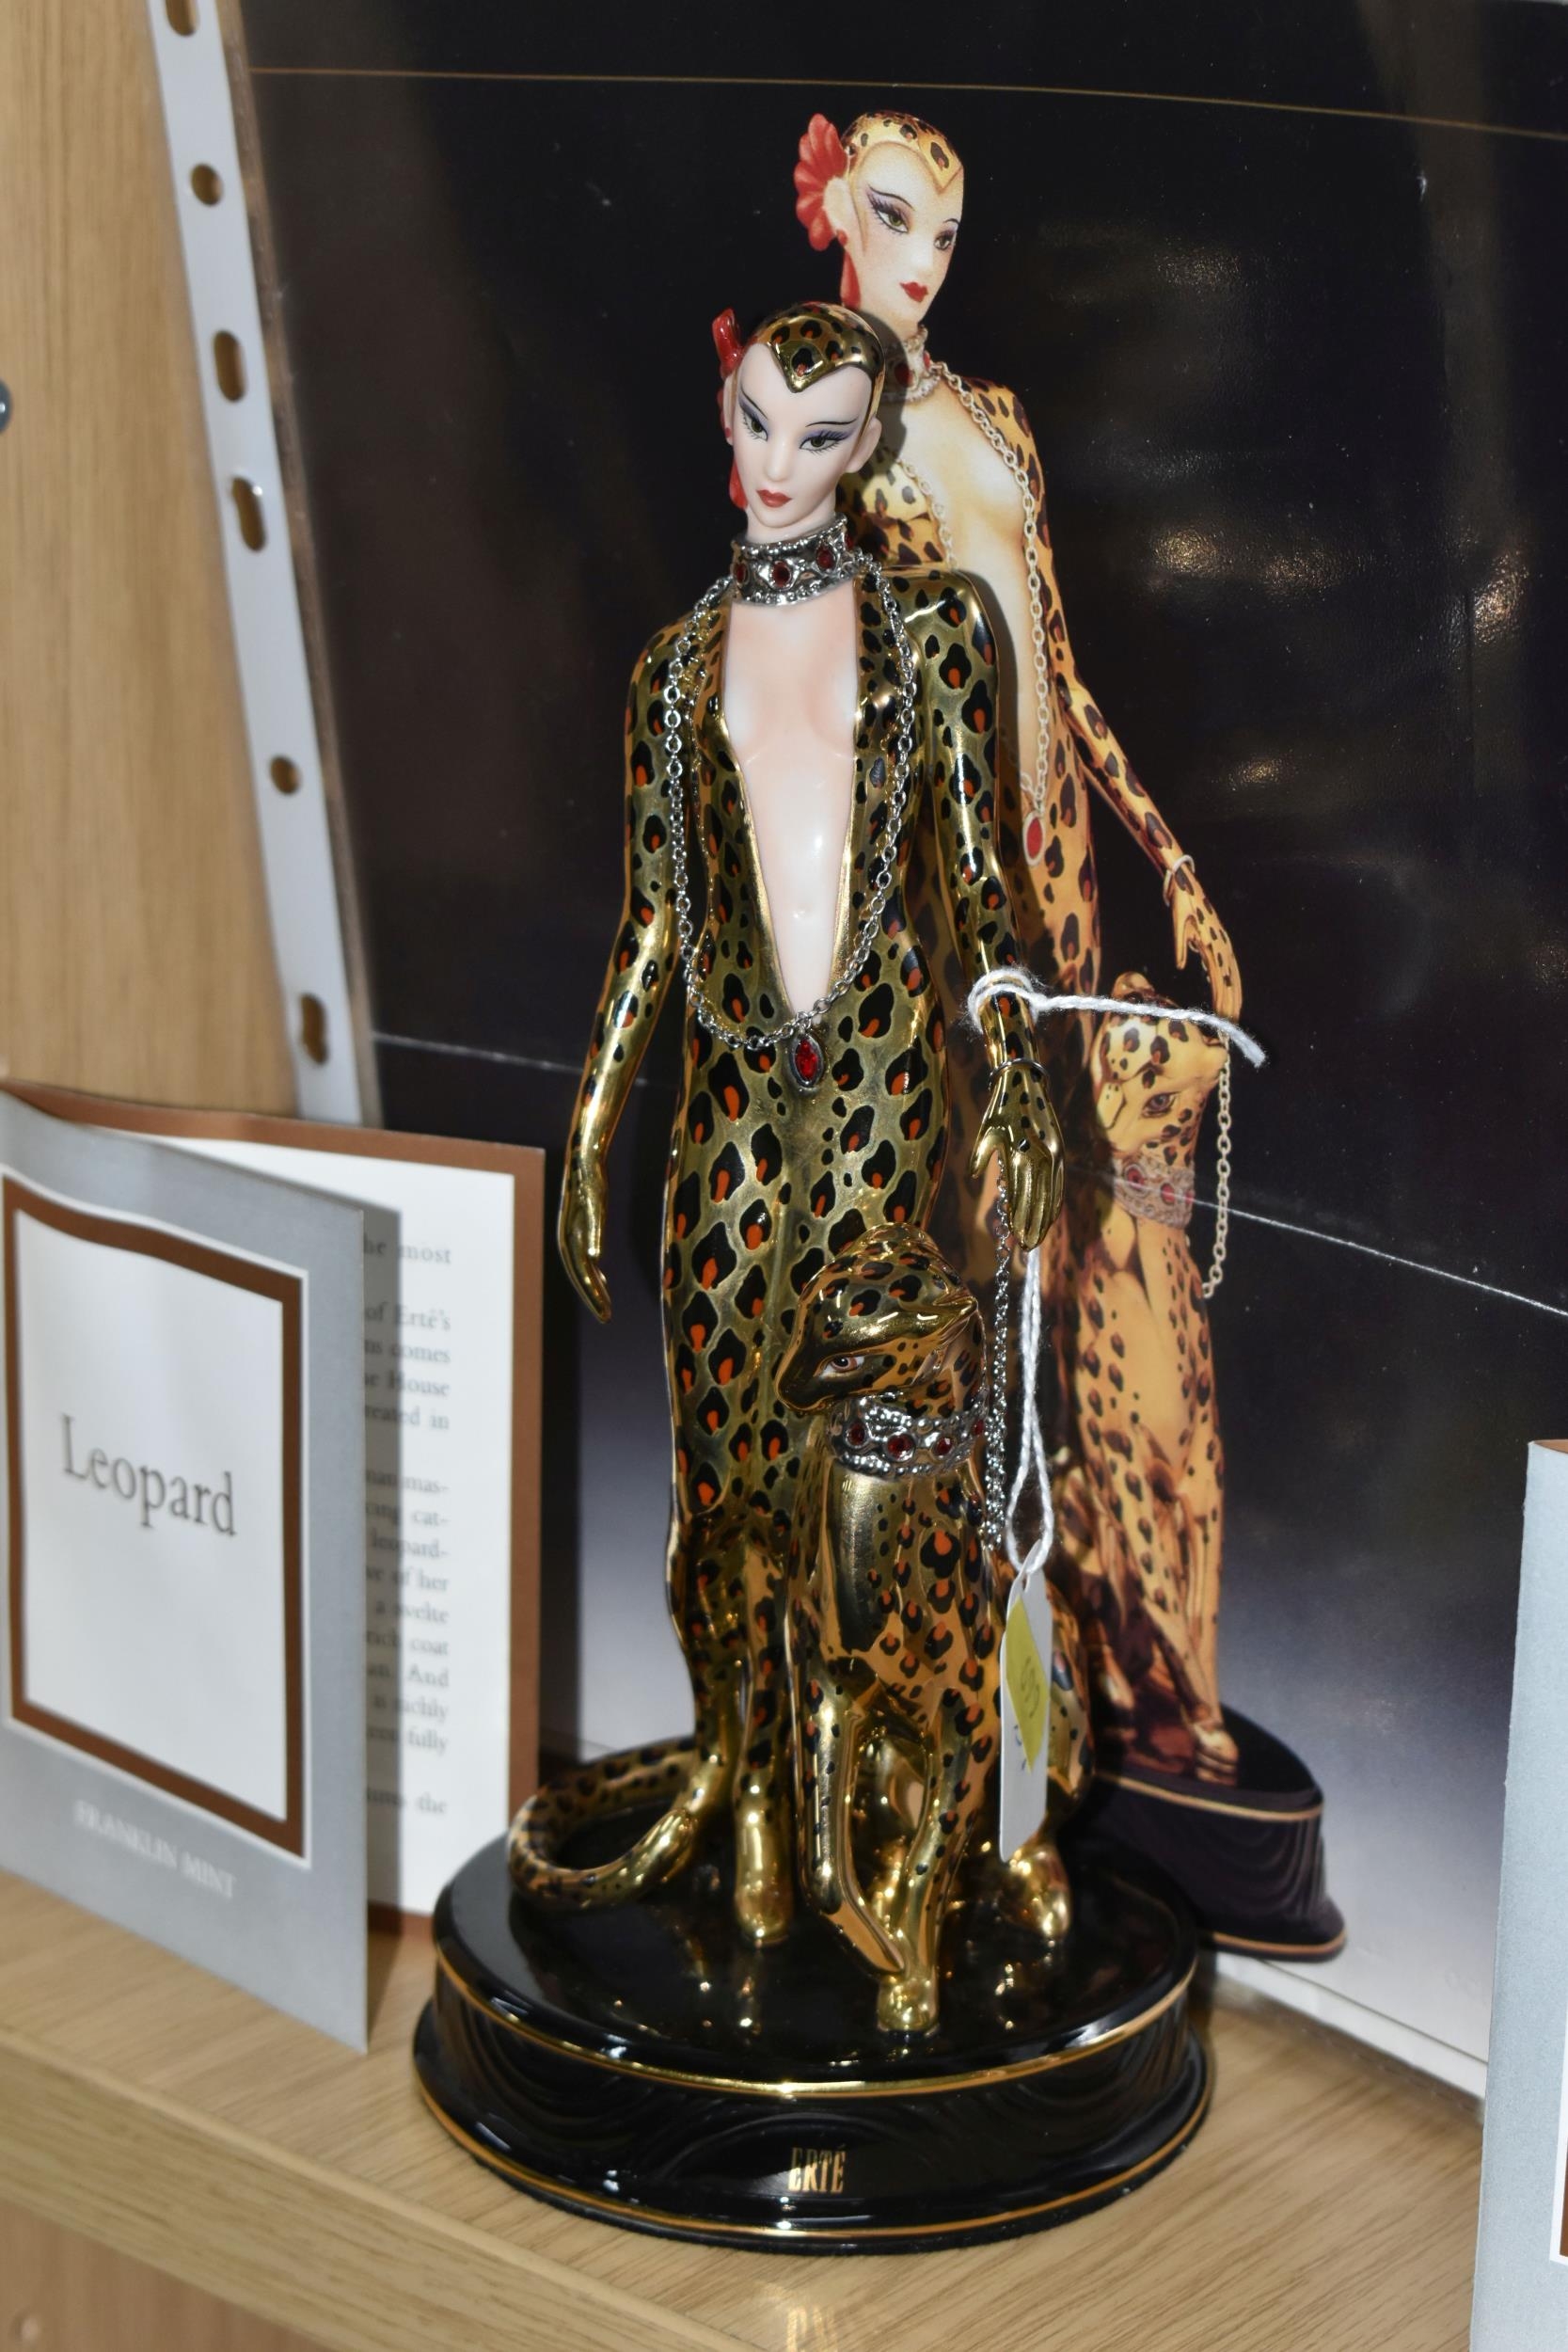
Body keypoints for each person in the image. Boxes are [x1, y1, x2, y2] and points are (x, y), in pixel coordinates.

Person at [523, 301, 1064, 1942]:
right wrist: (593, 1123)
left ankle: (885, 1805)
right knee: (723, 1482)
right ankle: (746, 1784)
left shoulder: (939, 634)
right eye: (759, 421)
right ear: (726, 411)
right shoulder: (674, 673)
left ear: (868, 443)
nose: (778, 464)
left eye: (819, 435)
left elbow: (980, 883)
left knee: (866, 1484)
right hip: (733, 1120)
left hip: (888, 1104)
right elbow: (650, 925)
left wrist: (1016, 1065)